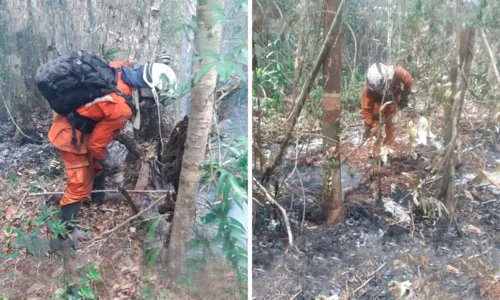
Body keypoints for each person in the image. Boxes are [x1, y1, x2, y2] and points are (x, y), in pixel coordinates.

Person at [38, 52, 177, 243]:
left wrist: (157, 66)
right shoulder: (121, 108)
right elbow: (97, 146)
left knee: (97, 164)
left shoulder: (121, 69)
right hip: (70, 136)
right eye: (153, 100)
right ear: (147, 91)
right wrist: (113, 167)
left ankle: (99, 197)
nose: (150, 105)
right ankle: (65, 234)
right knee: (79, 183)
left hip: (82, 127)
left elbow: (134, 66)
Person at [361, 63, 413, 155]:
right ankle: (373, 154)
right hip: (377, 106)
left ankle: (387, 152)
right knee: (374, 130)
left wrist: (405, 96)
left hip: (392, 103)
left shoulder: (398, 72)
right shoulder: (368, 89)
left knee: (390, 129)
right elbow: (366, 107)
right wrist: (367, 125)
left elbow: (408, 80)